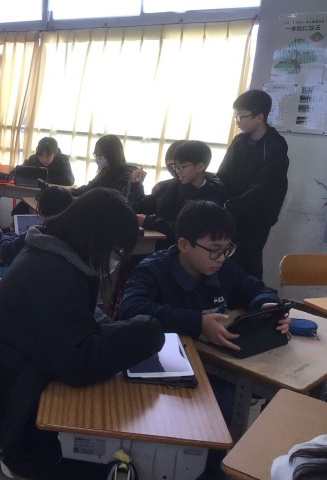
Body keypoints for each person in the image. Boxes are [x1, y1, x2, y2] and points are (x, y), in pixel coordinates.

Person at [0, 187, 165, 479]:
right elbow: (79, 364)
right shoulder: (52, 276)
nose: (116, 261)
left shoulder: (47, 255)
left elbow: (77, 324)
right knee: (136, 458)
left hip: (24, 397)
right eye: (117, 252)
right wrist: (150, 331)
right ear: (97, 240)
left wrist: (115, 329)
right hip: (28, 434)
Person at [118, 200, 290, 479]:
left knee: (250, 395)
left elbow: (256, 288)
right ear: (184, 245)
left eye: (227, 250)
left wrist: (267, 305)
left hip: (213, 363)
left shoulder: (223, 269)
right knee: (222, 403)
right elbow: (130, 309)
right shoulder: (152, 270)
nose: (221, 258)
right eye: (214, 250)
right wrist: (197, 322)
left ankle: (222, 465)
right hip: (165, 369)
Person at [217, 89, 290, 279]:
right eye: (235, 117)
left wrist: (230, 206)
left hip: (257, 217)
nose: (237, 122)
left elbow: (262, 188)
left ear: (259, 117)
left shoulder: (275, 147)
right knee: (223, 260)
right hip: (231, 212)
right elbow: (223, 175)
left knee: (248, 261)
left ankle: (255, 296)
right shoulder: (239, 141)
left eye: (241, 117)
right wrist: (217, 201)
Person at [136, 140, 225, 249]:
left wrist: (148, 221)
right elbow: (142, 206)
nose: (178, 171)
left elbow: (188, 232)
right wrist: (136, 186)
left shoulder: (212, 198)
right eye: (176, 166)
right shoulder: (168, 187)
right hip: (157, 248)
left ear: (200, 167)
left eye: (182, 166)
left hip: (184, 252)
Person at [0, 186, 73, 265]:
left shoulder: (36, 236)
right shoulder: (76, 237)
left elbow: (5, 251)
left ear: (40, 211)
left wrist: (10, 234)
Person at [10, 137, 75, 215]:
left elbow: (68, 179)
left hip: (54, 198)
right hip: (34, 195)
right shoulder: (34, 158)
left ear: (55, 153)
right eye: (40, 156)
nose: (44, 160)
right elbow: (16, 172)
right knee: (17, 212)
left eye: (47, 156)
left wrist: (44, 179)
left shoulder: (62, 160)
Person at [70, 134, 132, 199]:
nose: (97, 158)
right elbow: (88, 188)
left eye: (100, 155)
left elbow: (114, 197)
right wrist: (67, 192)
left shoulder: (125, 174)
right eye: (96, 155)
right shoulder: (105, 170)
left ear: (112, 155)